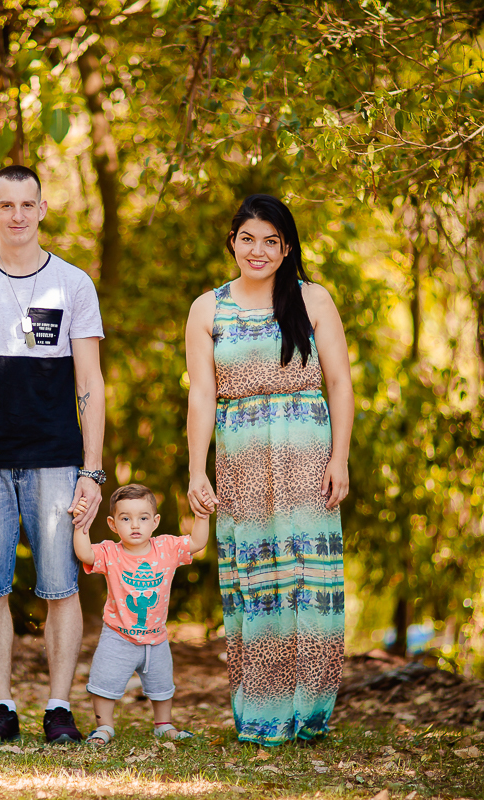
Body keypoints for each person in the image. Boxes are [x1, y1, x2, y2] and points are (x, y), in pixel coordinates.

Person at [0, 164, 107, 745]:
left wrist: (92, 470)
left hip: (56, 459)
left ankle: (59, 709)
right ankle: (1, 709)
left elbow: (90, 383)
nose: (17, 216)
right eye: (5, 205)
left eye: (27, 205)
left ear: (42, 209)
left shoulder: (74, 284)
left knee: (61, 585)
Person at [184, 194, 353, 746]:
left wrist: (340, 457)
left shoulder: (313, 299)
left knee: (308, 583)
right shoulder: (207, 309)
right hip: (241, 459)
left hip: (307, 456)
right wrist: (196, 470)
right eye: (248, 239)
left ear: (286, 249)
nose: (258, 251)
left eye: (271, 241)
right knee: (256, 585)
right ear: (233, 241)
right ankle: (261, 714)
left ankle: (310, 715)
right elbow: (203, 396)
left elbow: (340, 384)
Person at [72, 484, 210, 745]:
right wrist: (81, 524)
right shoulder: (111, 552)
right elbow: (84, 553)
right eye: (126, 519)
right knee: (104, 682)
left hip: (156, 637)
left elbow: (197, 542)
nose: (135, 525)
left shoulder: (167, 548)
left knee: (162, 685)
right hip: (118, 636)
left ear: (155, 521)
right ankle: (104, 727)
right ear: (113, 524)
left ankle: (163, 724)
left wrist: (202, 516)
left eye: (143, 518)